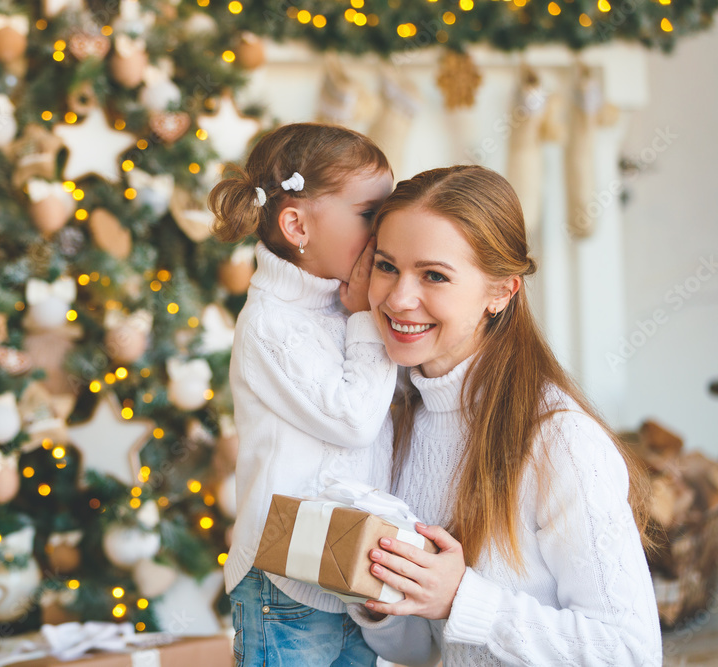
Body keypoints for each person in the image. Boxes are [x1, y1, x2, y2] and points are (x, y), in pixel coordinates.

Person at [349, 165, 661, 666]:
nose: (399, 298)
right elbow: (423, 650)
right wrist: (374, 596)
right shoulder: (397, 422)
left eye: (434, 275)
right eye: (387, 266)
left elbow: (629, 652)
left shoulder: (560, 440)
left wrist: (463, 599)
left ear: (502, 292)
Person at [208, 122, 397, 667]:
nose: (383, 231)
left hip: (347, 568)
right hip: (283, 580)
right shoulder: (271, 321)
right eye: (369, 214)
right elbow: (354, 418)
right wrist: (365, 317)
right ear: (297, 225)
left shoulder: (345, 304)